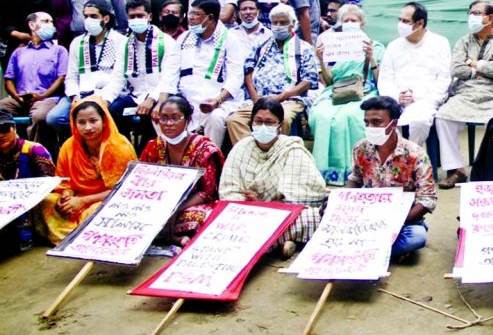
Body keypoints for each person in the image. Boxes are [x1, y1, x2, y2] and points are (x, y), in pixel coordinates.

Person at [219, 97, 326, 258]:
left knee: (314, 217)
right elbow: (229, 190)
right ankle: (281, 242)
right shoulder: (241, 148)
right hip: (247, 214)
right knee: (217, 217)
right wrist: (249, 206)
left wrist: (265, 205)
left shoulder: (292, 148)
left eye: (269, 122)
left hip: (282, 215)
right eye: (258, 121)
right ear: (251, 123)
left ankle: (262, 244)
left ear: (280, 126)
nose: (263, 127)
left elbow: (305, 198)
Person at [434, 0, 493, 189]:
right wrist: (477, 69)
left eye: (477, 13)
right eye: (471, 13)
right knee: (443, 117)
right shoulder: (463, 41)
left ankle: (492, 169)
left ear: (490, 18)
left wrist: (474, 63)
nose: (472, 17)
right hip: (466, 92)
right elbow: (455, 69)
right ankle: (457, 170)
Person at [34, 97, 136, 245]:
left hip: (106, 199)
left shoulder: (120, 147)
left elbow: (123, 190)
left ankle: (87, 239)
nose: (87, 127)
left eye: (93, 121)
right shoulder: (68, 147)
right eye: (81, 122)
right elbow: (64, 181)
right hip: (77, 199)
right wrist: (66, 197)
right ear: (74, 124)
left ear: (104, 120)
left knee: (98, 211)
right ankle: (73, 237)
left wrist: (82, 201)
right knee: (47, 201)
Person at [347, 96, 437, 259]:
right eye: (367, 122)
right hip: (367, 217)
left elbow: (427, 200)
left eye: (376, 122)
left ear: (394, 124)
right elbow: (355, 178)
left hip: (403, 220)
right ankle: (383, 251)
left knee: (416, 237)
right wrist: (342, 201)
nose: (370, 127)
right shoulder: (360, 148)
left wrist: (396, 223)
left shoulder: (415, 155)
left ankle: (366, 250)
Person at [155, 0, 247, 147]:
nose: (190, 18)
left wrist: (217, 100)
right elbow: (170, 72)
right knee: (161, 114)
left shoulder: (231, 40)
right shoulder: (184, 38)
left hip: (218, 100)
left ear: (210, 18)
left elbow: (235, 77)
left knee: (215, 118)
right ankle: (174, 158)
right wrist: (161, 102)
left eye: (196, 14)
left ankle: (208, 161)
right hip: (185, 99)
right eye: (190, 13)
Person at [309, 4, 384, 184]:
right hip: (336, 91)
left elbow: (381, 80)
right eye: (346, 20)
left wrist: (371, 57)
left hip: (365, 90)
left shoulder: (375, 46)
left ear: (362, 23)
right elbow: (329, 81)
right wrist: (321, 59)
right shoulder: (334, 45)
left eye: (354, 20)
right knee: (321, 115)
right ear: (340, 23)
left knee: (350, 115)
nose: (350, 23)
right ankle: (326, 172)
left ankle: (356, 170)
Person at [227, 4, 317, 144]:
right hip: (259, 100)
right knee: (235, 120)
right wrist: (255, 97)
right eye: (275, 23)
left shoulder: (304, 48)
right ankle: (252, 153)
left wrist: (282, 96)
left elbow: (308, 81)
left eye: (283, 22)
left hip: (289, 100)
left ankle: (275, 154)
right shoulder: (261, 45)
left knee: (284, 119)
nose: (278, 26)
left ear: (293, 24)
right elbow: (248, 72)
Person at [139, 96, 223, 245]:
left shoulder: (203, 148)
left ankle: (170, 236)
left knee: (199, 217)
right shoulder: (153, 146)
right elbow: (140, 181)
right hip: (159, 203)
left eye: (175, 118)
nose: (169, 124)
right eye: (164, 119)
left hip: (190, 204)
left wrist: (175, 209)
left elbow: (206, 192)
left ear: (188, 120)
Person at [46, 0, 128, 139]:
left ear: (106, 18)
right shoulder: (77, 43)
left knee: (106, 116)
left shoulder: (121, 41)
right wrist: (74, 96)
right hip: (81, 93)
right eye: (86, 16)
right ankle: (80, 145)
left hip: (108, 95)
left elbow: (119, 78)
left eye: (94, 16)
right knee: (54, 118)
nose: (89, 20)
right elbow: (71, 76)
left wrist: (103, 98)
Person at [377, 2, 451, 146]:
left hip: (425, 101)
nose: (400, 24)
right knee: (381, 122)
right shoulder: (393, 46)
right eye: (399, 20)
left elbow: (444, 79)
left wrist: (419, 97)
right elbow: (385, 78)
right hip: (395, 100)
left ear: (420, 23)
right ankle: (395, 160)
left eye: (405, 21)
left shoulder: (440, 43)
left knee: (419, 121)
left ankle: (411, 158)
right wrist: (396, 96)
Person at [102, 0, 176, 141]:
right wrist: (105, 100)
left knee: (152, 118)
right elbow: (118, 77)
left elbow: (169, 78)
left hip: (160, 95)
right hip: (135, 96)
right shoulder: (125, 44)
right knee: (111, 112)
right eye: (132, 17)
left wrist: (151, 99)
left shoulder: (166, 42)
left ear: (150, 17)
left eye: (140, 16)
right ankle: (124, 152)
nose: (136, 20)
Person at [0, 12, 67, 146]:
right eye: (46, 21)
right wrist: (17, 97)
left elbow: (61, 78)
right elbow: (9, 80)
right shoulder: (19, 52)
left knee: (40, 116)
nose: (51, 25)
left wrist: (42, 95)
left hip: (47, 98)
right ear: (32, 25)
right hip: (20, 99)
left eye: (51, 22)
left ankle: (35, 156)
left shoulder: (59, 50)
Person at [0, 109, 56, 250]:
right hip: (6, 203)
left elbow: (50, 182)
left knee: (51, 200)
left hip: (35, 201)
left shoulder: (35, 149)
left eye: (5, 129)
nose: (1, 135)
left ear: (14, 128)